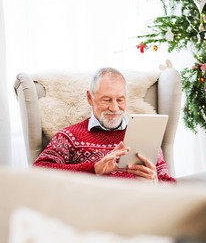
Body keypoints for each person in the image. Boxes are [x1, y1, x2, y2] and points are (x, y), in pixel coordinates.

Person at [33, 67, 176, 183]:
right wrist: (93, 169)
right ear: (90, 98)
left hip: (141, 209)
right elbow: (38, 171)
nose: (114, 108)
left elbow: (171, 187)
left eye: (120, 100)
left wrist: (156, 182)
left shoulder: (145, 136)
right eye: (107, 100)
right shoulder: (70, 136)